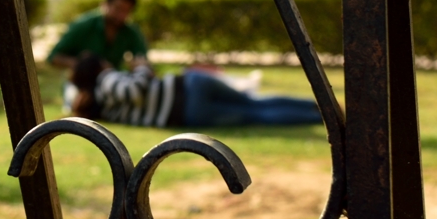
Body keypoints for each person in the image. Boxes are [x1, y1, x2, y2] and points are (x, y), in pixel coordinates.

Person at [69, 54, 321, 128]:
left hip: (188, 111)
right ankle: (317, 108)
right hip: (189, 89)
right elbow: (135, 90)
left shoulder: (102, 106)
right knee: (254, 105)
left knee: (254, 112)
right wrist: (142, 67)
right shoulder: (107, 79)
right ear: (98, 66)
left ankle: (317, 114)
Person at [48, 0, 149, 72]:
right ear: (105, 4)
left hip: (110, 83)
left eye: (126, 11)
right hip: (81, 83)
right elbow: (53, 57)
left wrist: (140, 67)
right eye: (118, 8)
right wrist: (87, 66)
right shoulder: (83, 25)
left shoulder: (130, 32)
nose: (121, 15)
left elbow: (141, 59)